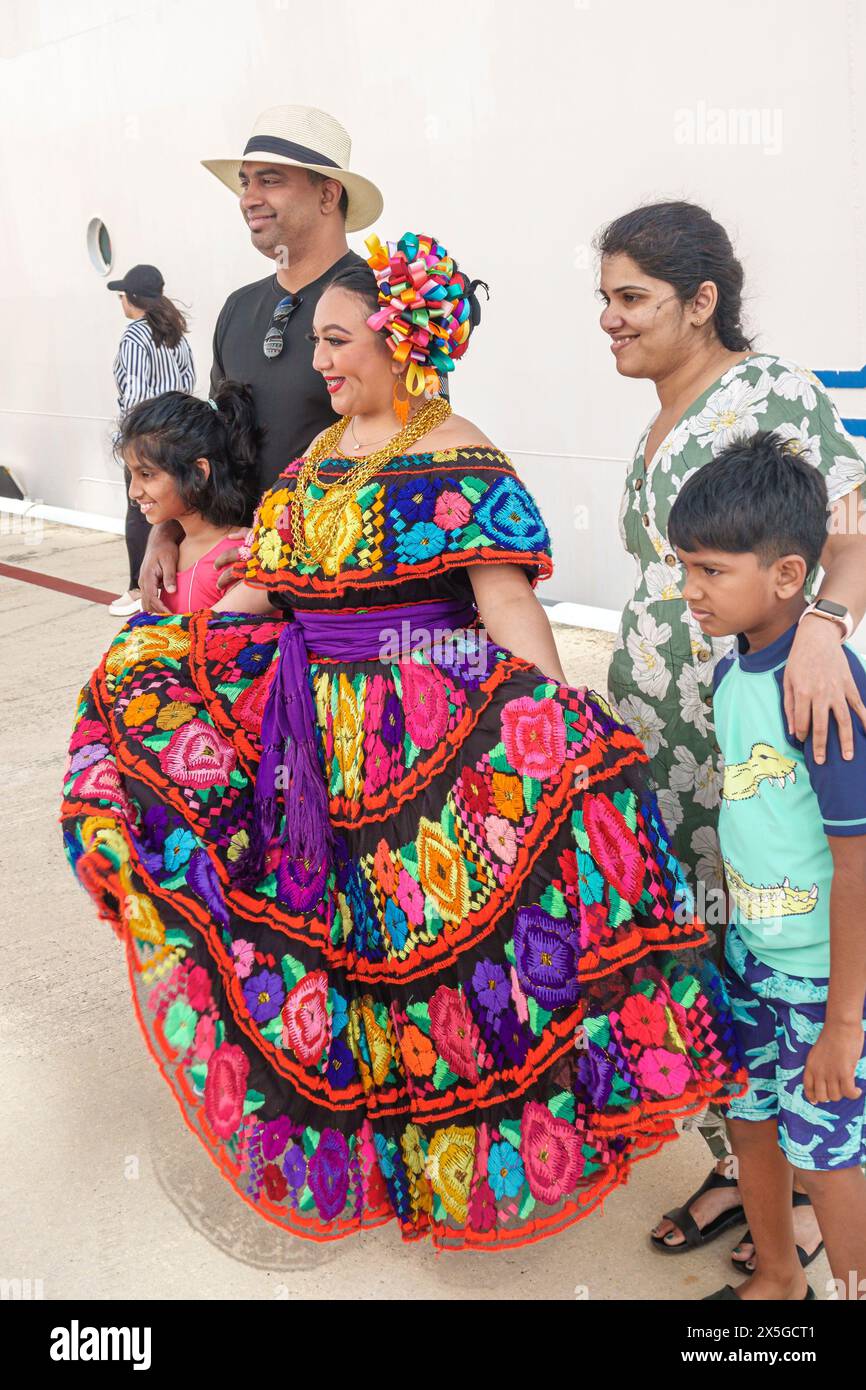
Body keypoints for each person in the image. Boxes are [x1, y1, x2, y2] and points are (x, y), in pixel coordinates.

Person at [60, 230, 747, 1256]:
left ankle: (456, 1167)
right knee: (354, 951)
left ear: (398, 342)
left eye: (338, 342)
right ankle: (394, 1157)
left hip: (425, 745)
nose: (323, 363)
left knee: (435, 967)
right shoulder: (316, 463)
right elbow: (264, 589)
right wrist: (167, 652)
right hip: (313, 749)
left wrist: (552, 729)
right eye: (319, 346)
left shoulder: (454, 452)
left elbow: (504, 599)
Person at [595, 200, 866, 1263]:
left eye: (631, 298)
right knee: (714, 958)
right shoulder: (662, 412)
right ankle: (737, 1158)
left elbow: (846, 524)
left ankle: (805, 1191)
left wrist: (822, 633)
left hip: (754, 730)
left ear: (701, 301)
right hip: (668, 732)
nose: (609, 320)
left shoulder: (766, 392)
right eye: (603, 299)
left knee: (776, 940)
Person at [667, 433, 866, 1300]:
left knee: (827, 1160)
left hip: (822, 983)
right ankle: (778, 1284)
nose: (689, 590)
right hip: (749, 955)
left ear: (789, 575)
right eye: (685, 567)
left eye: (710, 571)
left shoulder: (827, 689)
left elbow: (859, 869)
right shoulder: (733, 671)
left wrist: (844, 1026)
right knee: (750, 1126)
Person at [138, 105, 383, 614]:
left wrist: (284, 546)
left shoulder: (382, 301)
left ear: (327, 193)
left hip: (342, 597)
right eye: (245, 183)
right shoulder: (238, 309)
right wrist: (167, 529)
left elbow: (410, 450)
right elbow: (209, 444)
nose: (249, 198)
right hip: (238, 589)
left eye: (269, 181)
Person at [116, 383, 263, 613]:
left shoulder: (232, 560)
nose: (133, 492)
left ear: (198, 472)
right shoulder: (171, 551)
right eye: (131, 474)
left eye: (146, 474)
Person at [107, 264, 196, 618]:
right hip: (177, 436)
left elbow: (135, 392)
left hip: (145, 438)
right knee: (175, 508)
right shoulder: (176, 335)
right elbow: (188, 381)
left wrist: (130, 442)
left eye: (121, 296)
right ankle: (173, 579)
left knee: (138, 510)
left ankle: (135, 587)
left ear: (131, 299)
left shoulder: (134, 336)